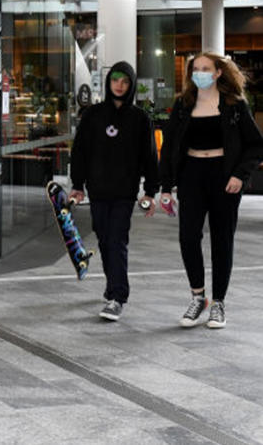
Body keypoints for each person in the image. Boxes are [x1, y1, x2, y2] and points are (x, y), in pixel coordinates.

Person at [159, 53, 263, 329]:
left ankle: (218, 303)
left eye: (206, 69)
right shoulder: (183, 105)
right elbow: (169, 147)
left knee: (222, 239)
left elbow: (256, 144)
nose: (200, 73)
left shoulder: (235, 105)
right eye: (196, 69)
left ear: (218, 72)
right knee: (188, 236)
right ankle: (198, 297)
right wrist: (166, 186)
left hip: (224, 175)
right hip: (191, 173)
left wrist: (240, 175)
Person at [69, 61, 158, 322]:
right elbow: (81, 152)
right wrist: (77, 185)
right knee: (105, 238)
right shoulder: (93, 115)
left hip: (124, 192)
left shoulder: (140, 119)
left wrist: (150, 192)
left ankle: (118, 296)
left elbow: (150, 158)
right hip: (98, 190)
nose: (119, 85)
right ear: (109, 83)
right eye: (115, 80)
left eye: (125, 81)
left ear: (130, 85)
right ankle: (112, 286)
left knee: (117, 239)